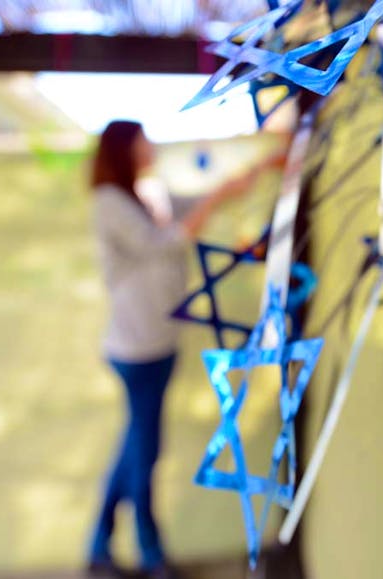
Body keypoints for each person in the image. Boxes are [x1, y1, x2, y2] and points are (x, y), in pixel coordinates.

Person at [86, 120, 243, 578]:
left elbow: (195, 206)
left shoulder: (146, 194)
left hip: (159, 342)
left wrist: (250, 177)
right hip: (136, 348)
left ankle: (99, 545)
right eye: (141, 138)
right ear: (124, 147)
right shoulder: (110, 203)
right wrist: (213, 201)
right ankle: (150, 552)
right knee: (145, 450)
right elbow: (166, 240)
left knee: (135, 444)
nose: (150, 145)